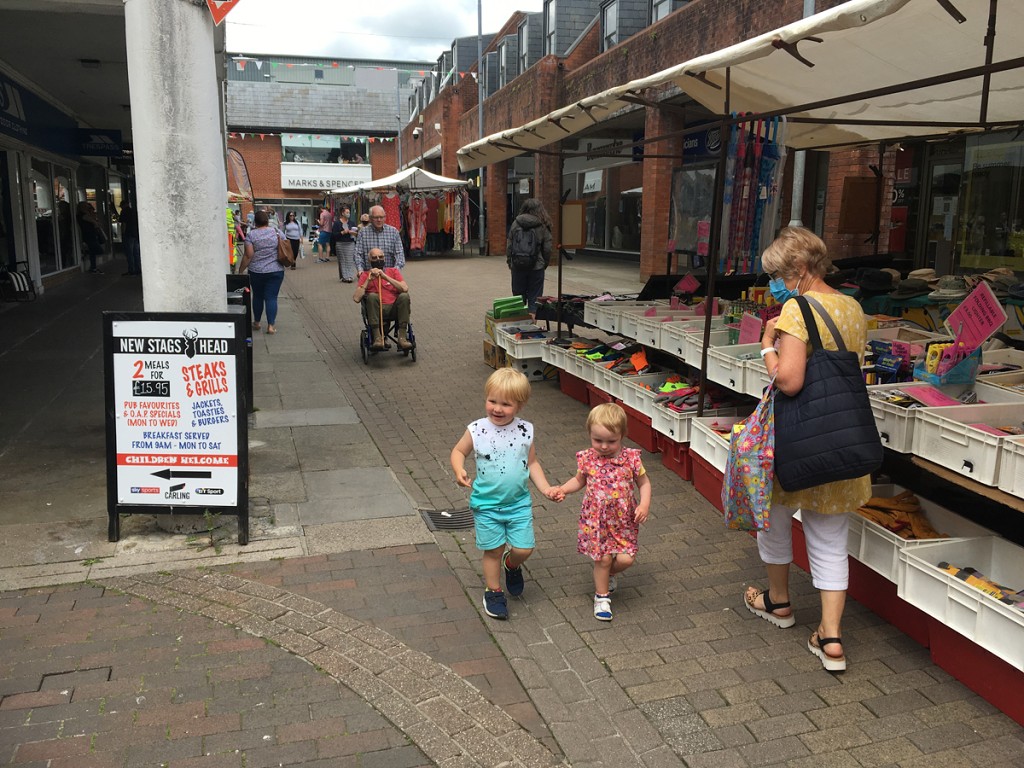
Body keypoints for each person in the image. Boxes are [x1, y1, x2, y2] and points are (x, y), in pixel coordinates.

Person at [747, 226, 871, 673]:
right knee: (830, 538)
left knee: (775, 517)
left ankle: (779, 602)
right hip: (839, 436)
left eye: (777, 275)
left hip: (797, 439)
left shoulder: (796, 309)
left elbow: (790, 380)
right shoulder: (853, 306)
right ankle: (831, 637)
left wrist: (767, 347)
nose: (773, 284)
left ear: (799, 268)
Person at [450, 368, 558, 620]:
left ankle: (512, 564)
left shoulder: (525, 430)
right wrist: (458, 469)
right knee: (493, 550)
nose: (497, 409)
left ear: (520, 405)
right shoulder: (477, 429)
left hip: (518, 504)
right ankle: (494, 591)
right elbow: (458, 451)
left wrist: (545, 488)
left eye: (506, 404)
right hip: (486, 505)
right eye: (492, 401)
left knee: (524, 549)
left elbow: (532, 463)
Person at [548, 403, 651, 621]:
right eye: (597, 440)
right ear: (589, 434)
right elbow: (579, 480)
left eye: (611, 441)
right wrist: (563, 489)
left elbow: (644, 483)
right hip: (597, 520)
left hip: (623, 521)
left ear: (622, 435)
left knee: (626, 559)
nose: (604, 446)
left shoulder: (631, 458)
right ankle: (602, 597)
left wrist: (644, 505)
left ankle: (609, 573)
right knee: (602, 560)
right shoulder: (587, 458)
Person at [352, 247, 413, 351]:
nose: (378, 260)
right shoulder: (365, 275)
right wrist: (368, 280)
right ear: (369, 260)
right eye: (374, 258)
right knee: (372, 296)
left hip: (394, 309)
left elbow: (405, 288)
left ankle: (402, 338)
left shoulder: (393, 271)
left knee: (404, 296)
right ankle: (377, 338)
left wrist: (385, 277)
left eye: (380, 257)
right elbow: (356, 298)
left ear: (384, 258)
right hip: (375, 310)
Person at [238, 210, 286, 335]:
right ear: (267, 221)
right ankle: (270, 326)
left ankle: (257, 322)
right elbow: (285, 245)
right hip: (276, 270)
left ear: (255, 222)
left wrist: (240, 270)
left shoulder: (251, 235)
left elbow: (248, 255)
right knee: (271, 297)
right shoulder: (277, 232)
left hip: (256, 271)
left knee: (258, 296)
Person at [506, 198, 554, 316]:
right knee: (534, 301)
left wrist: (510, 262)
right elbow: (547, 248)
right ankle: (532, 325)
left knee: (518, 300)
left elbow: (509, 245)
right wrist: (544, 263)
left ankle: (520, 324)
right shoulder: (542, 225)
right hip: (536, 267)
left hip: (517, 266)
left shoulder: (516, 223)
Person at [355, 205, 405, 272]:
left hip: (389, 275)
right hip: (369, 274)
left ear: (385, 217)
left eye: (381, 217)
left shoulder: (393, 232)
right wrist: (360, 270)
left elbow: (399, 254)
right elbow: (358, 254)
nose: (379, 220)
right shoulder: (362, 233)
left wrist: (395, 271)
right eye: (376, 217)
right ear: (370, 218)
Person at [76, 201, 105, 274]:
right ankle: (85, 253)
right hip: (88, 235)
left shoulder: (86, 214)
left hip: (91, 234)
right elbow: (93, 221)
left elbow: (95, 221)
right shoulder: (82, 215)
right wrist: (96, 223)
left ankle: (93, 267)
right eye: (86, 206)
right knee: (99, 250)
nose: (87, 208)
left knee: (93, 252)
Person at [335, 205, 357, 282]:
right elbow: (334, 235)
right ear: (342, 213)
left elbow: (356, 233)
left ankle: (350, 276)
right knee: (342, 260)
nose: (348, 214)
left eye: (349, 212)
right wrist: (343, 232)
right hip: (340, 244)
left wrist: (354, 233)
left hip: (350, 243)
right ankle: (345, 277)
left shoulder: (352, 223)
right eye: (347, 212)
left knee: (350, 260)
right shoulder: (337, 223)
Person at [120, 200, 141, 276]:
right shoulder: (134, 211)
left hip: (128, 234)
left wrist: (123, 233)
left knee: (129, 253)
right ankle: (138, 269)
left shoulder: (124, 212)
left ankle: (131, 270)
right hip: (135, 234)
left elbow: (123, 223)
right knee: (136, 253)